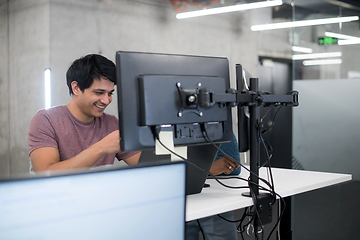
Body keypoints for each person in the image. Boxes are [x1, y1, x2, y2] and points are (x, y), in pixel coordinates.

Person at [28, 54, 141, 172]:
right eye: (99, 92)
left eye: (110, 93)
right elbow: (46, 173)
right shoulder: (45, 120)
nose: (106, 101)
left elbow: (145, 163)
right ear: (76, 88)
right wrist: (101, 147)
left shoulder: (111, 123)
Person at [186, 133, 241, 240]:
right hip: (179, 202)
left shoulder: (215, 122)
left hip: (213, 201)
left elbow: (233, 165)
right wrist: (209, 168)